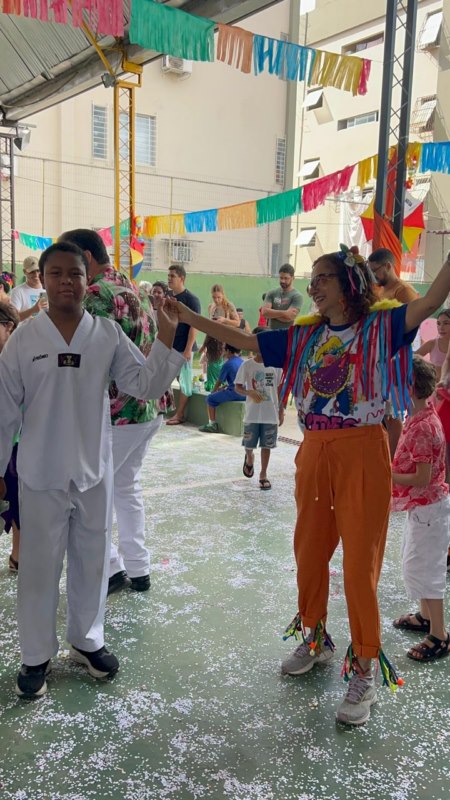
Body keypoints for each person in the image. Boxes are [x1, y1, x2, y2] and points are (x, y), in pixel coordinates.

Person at [169, 245, 450, 726]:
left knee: (359, 566)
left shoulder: (380, 326)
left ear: (349, 285)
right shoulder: (305, 334)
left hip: (363, 450)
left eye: (323, 278)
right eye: (312, 278)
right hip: (315, 449)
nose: (313, 286)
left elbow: (429, 302)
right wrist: (190, 317)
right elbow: (247, 340)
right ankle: (316, 637)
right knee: (309, 551)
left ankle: (364, 666)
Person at [0, 242, 184, 698]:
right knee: (39, 568)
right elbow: (4, 410)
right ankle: (35, 656)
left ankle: (87, 640)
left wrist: (167, 337)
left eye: (75, 273)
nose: (66, 281)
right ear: (43, 281)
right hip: (40, 473)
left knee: (93, 559)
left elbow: (144, 384)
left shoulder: (106, 334)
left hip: (94, 470)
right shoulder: (25, 339)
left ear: (88, 280)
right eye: (56, 273)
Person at [59, 228, 163, 596]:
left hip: (116, 413)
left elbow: (88, 359)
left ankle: (110, 569)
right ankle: (138, 567)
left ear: (85, 258)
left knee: (87, 495)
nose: (66, 276)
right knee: (125, 487)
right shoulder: (134, 287)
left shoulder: (94, 295)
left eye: (69, 266)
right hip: (147, 408)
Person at [392, 356, 450, 662]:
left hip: (430, 509)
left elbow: (422, 477)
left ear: (409, 387)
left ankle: (439, 635)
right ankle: (425, 617)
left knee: (428, 570)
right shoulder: (418, 415)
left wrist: (386, 474)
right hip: (423, 508)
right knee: (414, 563)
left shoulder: (424, 426)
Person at [368, 248, 419, 459]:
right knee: (381, 410)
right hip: (380, 357)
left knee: (392, 413)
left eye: (376, 271)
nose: (374, 276)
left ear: (388, 266)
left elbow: (411, 325)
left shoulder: (404, 290)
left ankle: (393, 459)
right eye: (370, 272)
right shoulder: (380, 291)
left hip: (396, 358)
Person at [235, 327, 284, 490]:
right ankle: (249, 458)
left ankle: (263, 474)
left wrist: (281, 410)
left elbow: (279, 389)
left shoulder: (276, 366)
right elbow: (238, 387)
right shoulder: (247, 365)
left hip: (270, 414)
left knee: (267, 445)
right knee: (249, 445)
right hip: (252, 414)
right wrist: (249, 392)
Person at [166, 265, 201, 426]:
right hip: (169, 346)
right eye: (168, 276)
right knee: (164, 378)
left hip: (184, 348)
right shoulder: (168, 297)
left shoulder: (191, 300)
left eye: (172, 276)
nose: (169, 279)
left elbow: (195, 326)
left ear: (182, 278)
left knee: (184, 381)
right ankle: (163, 409)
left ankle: (180, 415)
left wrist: (187, 349)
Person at [0, 301, 20, 571]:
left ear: (8, 327)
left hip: (14, 446)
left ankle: (19, 555)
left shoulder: (17, 362)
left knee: (16, 503)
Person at [199, 344, 243, 433]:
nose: (223, 352)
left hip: (235, 393)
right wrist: (226, 386)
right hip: (244, 393)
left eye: (224, 350)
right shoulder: (242, 361)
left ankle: (212, 424)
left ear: (228, 351)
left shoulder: (228, 364)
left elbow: (219, 381)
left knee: (210, 399)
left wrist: (213, 391)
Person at [262, 265, 303, 330]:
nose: (283, 281)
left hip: (287, 334)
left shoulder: (297, 296)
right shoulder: (272, 293)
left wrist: (272, 314)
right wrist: (285, 313)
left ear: (293, 278)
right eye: (281, 278)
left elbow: (289, 317)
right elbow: (264, 312)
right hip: (271, 332)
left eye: (286, 278)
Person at [9, 256, 48, 321]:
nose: (36, 274)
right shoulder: (17, 291)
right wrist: (33, 310)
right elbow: (13, 318)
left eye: (38, 271)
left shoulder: (48, 289)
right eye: (32, 271)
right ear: (24, 272)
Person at [415, 309, 450, 381]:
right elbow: (412, 358)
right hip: (435, 386)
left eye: (446, 323)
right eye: (438, 323)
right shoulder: (432, 344)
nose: (441, 327)